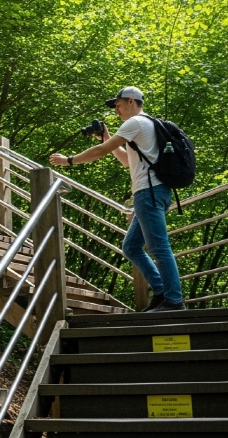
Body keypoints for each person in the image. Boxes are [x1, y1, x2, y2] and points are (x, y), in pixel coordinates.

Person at [49, 86, 184, 312]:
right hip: (152, 192)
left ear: (131, 101)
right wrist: (109, 138)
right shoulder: (145, 125)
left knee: (159, 247)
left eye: (118, 105)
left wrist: (68, 160)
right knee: (131, 247)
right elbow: (125, 161)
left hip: (148, 192)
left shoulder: (135, 123)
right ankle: (161, 292)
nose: (116, 111)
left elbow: (100, 151)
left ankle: (173, 300)